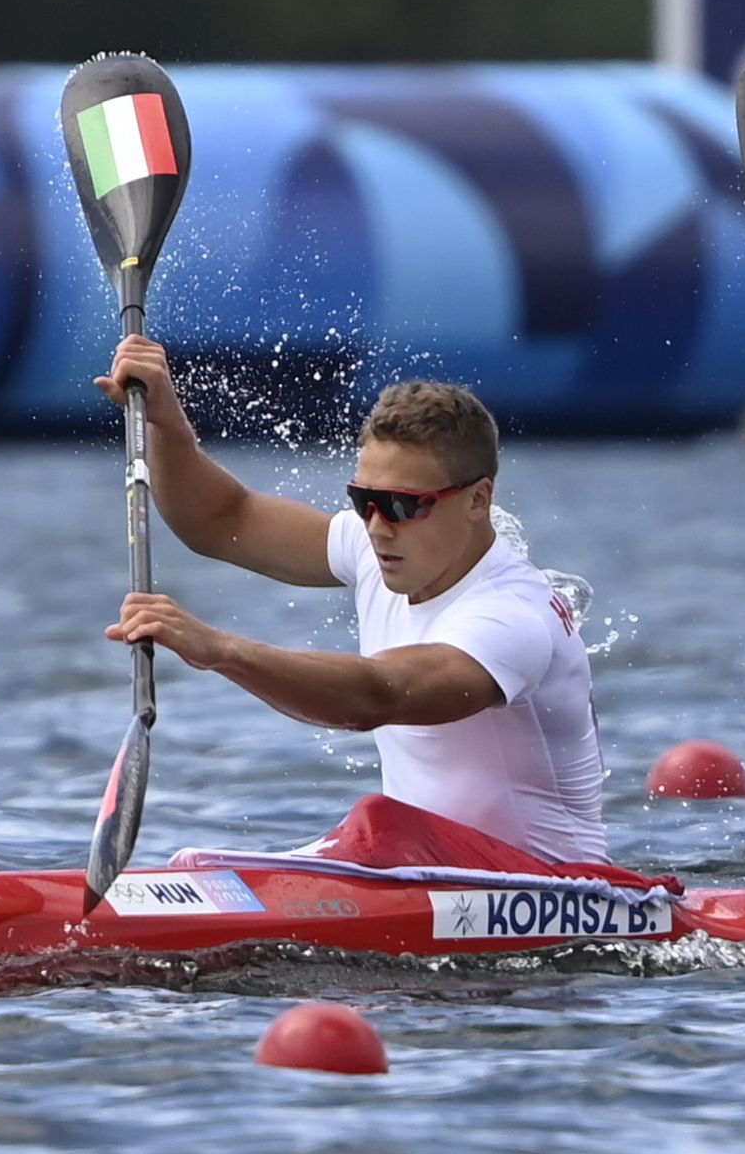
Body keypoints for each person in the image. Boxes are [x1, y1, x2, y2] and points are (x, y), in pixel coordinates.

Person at [94, 335, 605, 864]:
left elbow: (379, 694)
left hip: (552, 892)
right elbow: (222, 520)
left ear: (478, 499)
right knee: (363, 830)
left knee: (375, 824)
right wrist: (164, 421)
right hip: (429, 872)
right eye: (364, 501)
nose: (378, 528)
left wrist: (220, 649)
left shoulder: (510, 617)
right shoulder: (377, 544)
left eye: (403, 507)